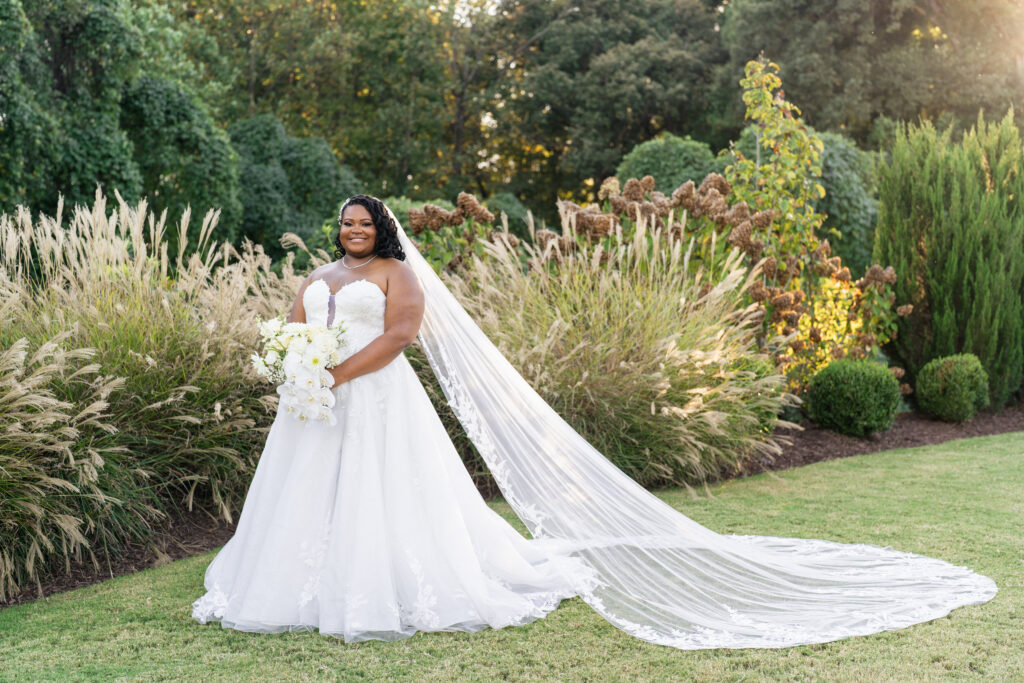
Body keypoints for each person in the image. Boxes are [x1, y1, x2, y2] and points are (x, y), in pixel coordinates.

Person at [193, 195, 996, 649]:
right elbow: (295, 321)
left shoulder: (399, 274)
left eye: (363, 223)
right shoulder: (322, 274)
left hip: (371, 396)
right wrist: (297, 365)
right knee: (306, 492)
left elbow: (401, 336)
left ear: (383, 228)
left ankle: (385, 583)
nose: (352, 231)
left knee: (385, 495)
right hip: (316, 405)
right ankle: (296, 581)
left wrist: (334, 371)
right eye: (345, 223)